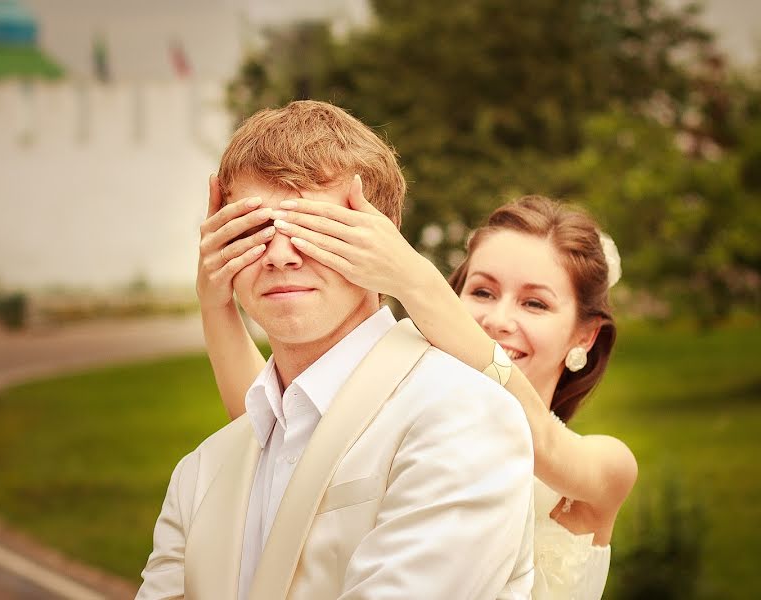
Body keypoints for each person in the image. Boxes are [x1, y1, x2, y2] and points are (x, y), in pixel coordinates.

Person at [137, 100, 536, 600]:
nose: (281, 256)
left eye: (313, 229)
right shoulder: (201, 471)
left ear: (381, 238)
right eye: (254, 229)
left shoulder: (462, 415)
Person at [199, 169, 638, 598]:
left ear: (585, 335)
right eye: (482, 292)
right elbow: (274, 427)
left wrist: (412, 279)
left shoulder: (608, 466)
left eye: (535, 303)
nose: (498, 321)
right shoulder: (409, 416)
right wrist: (216, 301)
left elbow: (538, 438)